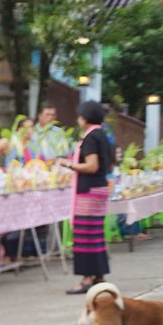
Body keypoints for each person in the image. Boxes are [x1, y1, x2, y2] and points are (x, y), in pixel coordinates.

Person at [57, 101, 113, 294]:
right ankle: (98, 275)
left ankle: (86, 278)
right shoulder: (102, 135)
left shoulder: (90, 137)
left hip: (88, 191)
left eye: (80, 116)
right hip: (99, 188)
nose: (78, 119)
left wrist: (69, 164)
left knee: (84, 236)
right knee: (95, 235)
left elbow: (91, 165)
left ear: (86, 118)